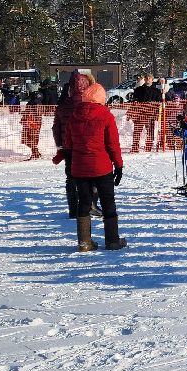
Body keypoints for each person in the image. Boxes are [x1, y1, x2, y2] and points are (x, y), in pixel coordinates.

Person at [56, 74, 125, 252]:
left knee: (84, 203)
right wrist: (118, 165)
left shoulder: (74, 116)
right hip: (102, 167)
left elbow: (68, 143)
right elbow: (112, 144)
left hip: (79, 168)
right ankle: (112, 240)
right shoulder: (106, 116)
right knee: (108, 202)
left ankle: (84, 242)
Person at [129, 74, 160, 152]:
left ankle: (148, 147)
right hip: (140, 114)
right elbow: (133, 100)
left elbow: (159, 103)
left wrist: (157, 114)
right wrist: (133, 112)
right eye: (146, 78)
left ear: (152, 80)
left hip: (150, 114)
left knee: (150, 131)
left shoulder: (156, 91)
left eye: (149, 78)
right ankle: (135, 147)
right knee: (137, 131)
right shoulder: (138, 89)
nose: (148, 79)